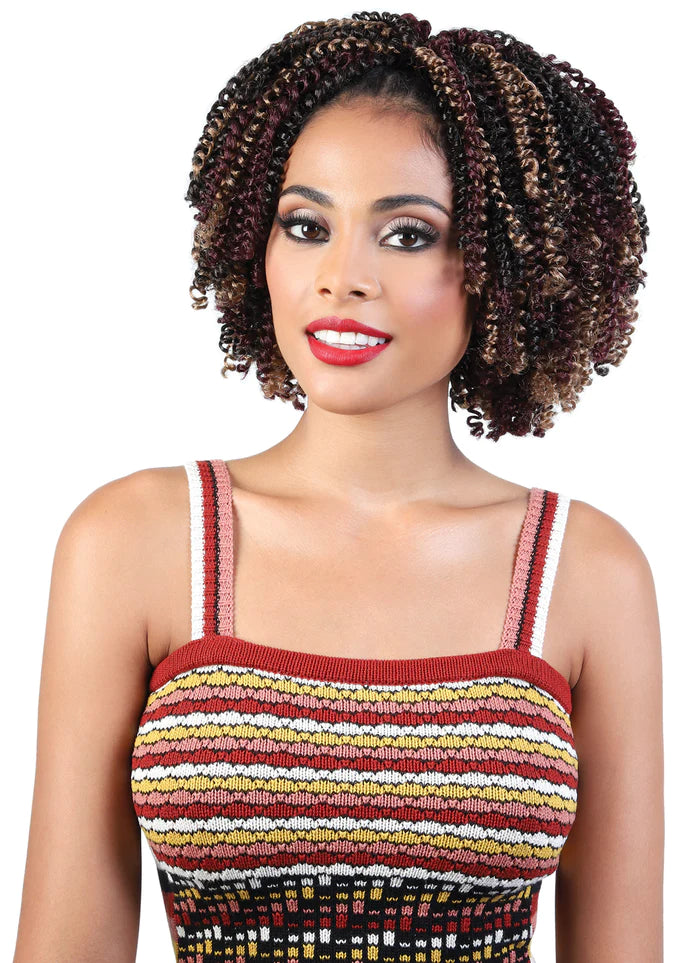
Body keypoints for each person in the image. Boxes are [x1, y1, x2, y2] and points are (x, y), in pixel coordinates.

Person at [13, 11, 663, 962]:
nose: (340, 277)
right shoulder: (136, 541)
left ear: (508, 267)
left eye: (407, 234)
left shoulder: (586, 569)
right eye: (307, 225)